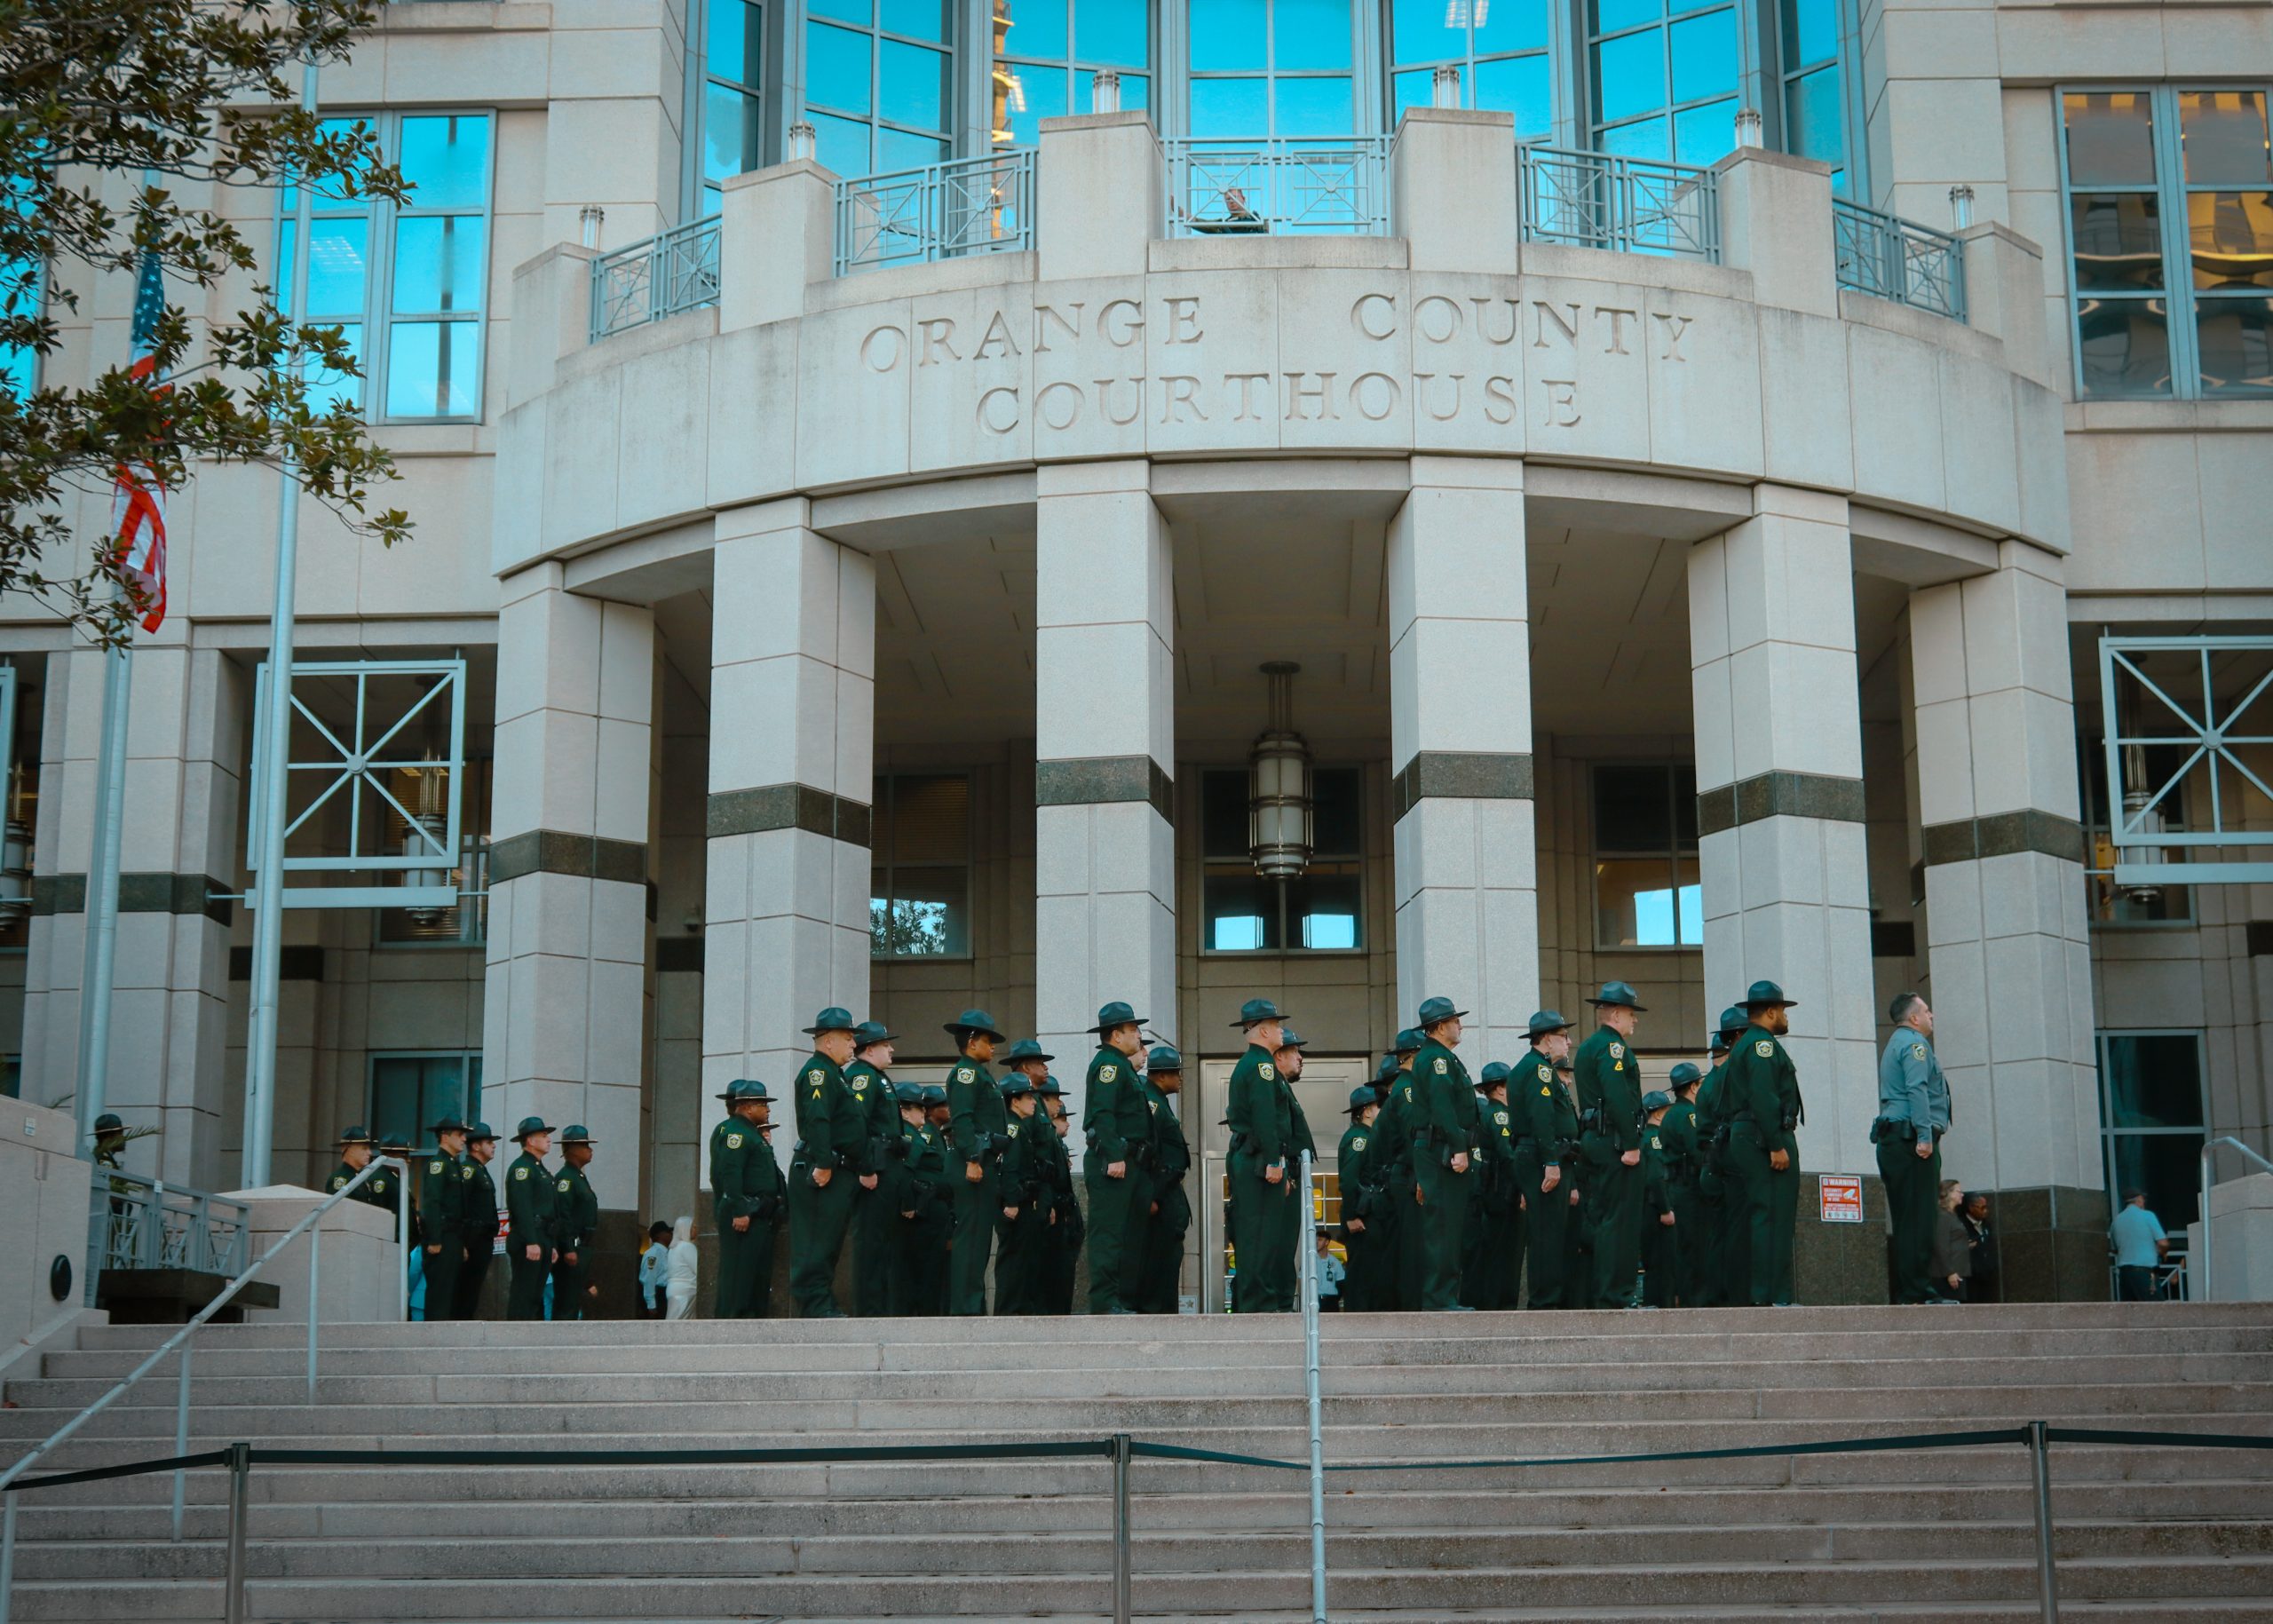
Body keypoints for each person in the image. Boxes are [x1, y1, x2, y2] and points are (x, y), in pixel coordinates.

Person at [1722, 980, 1805, 1308]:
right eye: (1783, 1010)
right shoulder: (1761, 1045)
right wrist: (1775, 1144)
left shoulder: (1749, 1044)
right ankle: (1774, 1295)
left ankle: (1765, 1294)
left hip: (1753, 1134)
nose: (1785, 1017)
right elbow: (1763, 1095)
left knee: (1766, 1214)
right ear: (1771, 1011)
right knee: (1774, 1216)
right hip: (1763, 1136)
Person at [788, 1007, 866, 1319]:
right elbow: (818, 1119)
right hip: (822, 1167)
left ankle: (822, 1301)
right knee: (815, 1241)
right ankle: (814, 1305)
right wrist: (823, 1162)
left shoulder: (835, 1074)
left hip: (837, 1168)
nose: (853, 1044)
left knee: (828, 1241)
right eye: (848, 1038)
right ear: (828, 1040)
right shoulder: (818, 1072)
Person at [1876, 991, 1952, 1305]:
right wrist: (1924, 1136)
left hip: (1895, 1138)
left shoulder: (1896, 1042)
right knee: (1920, 1219)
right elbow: (1916, 1089)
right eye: (1926, 1010)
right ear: (1913, 1018)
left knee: (1907, 1219)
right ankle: (1917, 1291)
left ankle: (1912, 1290)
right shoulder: (1914, 1045)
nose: (1931, 1015)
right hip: (1910, 1140)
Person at [1574, 982, 1647, 1310]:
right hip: (1614, 1141)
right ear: (1616, 1014)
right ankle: (1616, 1294)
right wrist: (1631, 1143)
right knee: (1620, 1220)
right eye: (1631, 1014)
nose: (1635, 1020)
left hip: (1598, 1138)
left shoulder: (1591, 1046)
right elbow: (1617, 1095)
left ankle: (1608, 1292)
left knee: (1606, 1218)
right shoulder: (1612, 1047)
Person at [1225, 998, 1300, 1311]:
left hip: (1254, 1159)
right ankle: (1259, 1304)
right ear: (1264, 1031)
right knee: (1260, 1236)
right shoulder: (1261, 1065)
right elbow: (1265, 1116)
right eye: (1277, 1025)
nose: (1282, 1031)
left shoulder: (1255, 1064)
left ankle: (1258, 1302)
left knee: (1260, 1235)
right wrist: (1273, 1160)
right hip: (1258, 1161)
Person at [1410, 995, 1481, 1313]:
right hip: (1442, 1150)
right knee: (1442, 1228)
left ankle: (1445, 1297)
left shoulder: (1443, 1058)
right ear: (1439, 1027)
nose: (1460, 1026)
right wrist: (1459, 1147)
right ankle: (1439, 1299)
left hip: (1443, 1149)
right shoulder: (1435, 1059)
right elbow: (1442, 1107)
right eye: (1454, 1021)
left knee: (1450, 1227)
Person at [1081, 1002, 1152, 1314]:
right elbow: (1103, 1113)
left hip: (1128, 1160)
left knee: (1123, 1235)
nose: (1138, 1035)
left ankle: (1117, 1299)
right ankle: (1104, 1302)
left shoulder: (1121, 1065)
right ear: (1116, 1034)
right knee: (1108, 1234)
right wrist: (1113, 1155)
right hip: (1113, 1161)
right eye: (1133, 1029)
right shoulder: (1109, 1065)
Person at [943, 1010, 1010, 1315]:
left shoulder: (980, 1074)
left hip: (984, 1164)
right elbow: (962, 1119)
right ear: (971, 1042)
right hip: (973, 1164)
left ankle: (973, 1305)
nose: (992, 1046)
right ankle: (965, 1309)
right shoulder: (966, 1073)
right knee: (971, 1240)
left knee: (979, 1241)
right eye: (987, 1040)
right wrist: (972, 1157)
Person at [1511, 1011, 1580, 1310]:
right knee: (1547, 1232)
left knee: (1547, 1230)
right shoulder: (1538, 1070)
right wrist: (1551, 1161)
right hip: (1543, 1158)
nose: (1568, 1042)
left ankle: (1547, 1299)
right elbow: (1542, 1117)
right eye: (1563, 1036)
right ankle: (1545, 1302)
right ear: (1547, 1039)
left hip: (1540, 1155)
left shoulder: (1533, 1068)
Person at [710, 1079, 783, 1319]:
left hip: (759, 1212)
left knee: (755, 1274)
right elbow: (729, 1174)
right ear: (748, 1107)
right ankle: (731, 1323)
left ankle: (750, 1320)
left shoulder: (750, 1132)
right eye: (763, 1104)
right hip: (745, 1211)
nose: (768, 1109)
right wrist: (739, 1210)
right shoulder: (735, 1133)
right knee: (738, 1275)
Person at [1691, 1007, 1748, 1308]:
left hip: (1710, 1165)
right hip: (1725, 1163)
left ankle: (1716, 1293)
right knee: (1734, 1232)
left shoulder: (1707, 1085)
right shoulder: (1726, 1078)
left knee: (1717, 1234)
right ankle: (1730, 1293)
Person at [846, 1019, 900, 1317]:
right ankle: (869, 1311)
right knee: (869, 1242)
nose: (891, 1049)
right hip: (874, 1170)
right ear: (868, 1049)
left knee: (882, 1243)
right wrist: (866, 1168)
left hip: (886, 1167)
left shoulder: (876, 1076)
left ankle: (879, 1308)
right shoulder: (862, 1076)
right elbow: (858, 1124)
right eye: (885, 1044)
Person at [1135, 1045, 1192, 1314]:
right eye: (1175, 1072)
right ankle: (1157, 1316)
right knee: (1160, 1262)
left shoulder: (1159, 1100)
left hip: (1167, 1190)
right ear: (1160, 1075)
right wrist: (1153, 1196)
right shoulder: (1152, 1104)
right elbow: (1151, 1157)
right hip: (1160, 1195)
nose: (1180, 1077)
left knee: (1169, 1260)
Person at [886, 1080, 952, 1315]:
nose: (923, 1111)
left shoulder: (915, 1134)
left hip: (931, 1211)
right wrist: (909, 1204)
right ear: (903, 1111)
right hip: (923, 1213)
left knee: (928, 1271)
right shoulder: (910, 1136)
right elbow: (906, 1169)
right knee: (924, 1271)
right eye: (918, 1107)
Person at [993, 1073, 1052, 1313]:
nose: (1034, 1102)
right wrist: (1011, 1201)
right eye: (1028, 1097)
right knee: (1014, 1260)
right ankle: (1010, 1310)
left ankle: (1020, 1309)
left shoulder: (1018, 1126)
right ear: (1014, 1101)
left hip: (1024, 1199)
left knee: (1024, 1259)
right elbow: (1009, 1167)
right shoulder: (1013, 1128)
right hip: (1015, 1202)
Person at [1461, 1061, 1517, 1311]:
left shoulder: (1490, 1113)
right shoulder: (1499, 1115)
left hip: (1491, 1193)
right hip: (1500, 1193)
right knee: (1502, 1254)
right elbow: (1508, 1155)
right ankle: (1498, 1306)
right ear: (1501, 1088)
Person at [503, 1118, 558, 1321]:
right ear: (530, 1141)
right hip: (529, 1235)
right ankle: (514, 1334)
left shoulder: (539, 1169)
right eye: (543, 1136)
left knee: (535, 1295)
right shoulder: (523, 1168)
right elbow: (522, 1207)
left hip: (543, 1235)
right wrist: (531, 1240)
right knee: (524, 1294)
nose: (548, 1140)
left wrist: (551, 1244)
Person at [1038, 1074, 1084, 1314]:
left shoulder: (1055, 1141)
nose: (1067, 1124)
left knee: (1064, 1278)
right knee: (1052, 1279)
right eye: (1062, 1118)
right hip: (1054, 1213)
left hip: (1066, 1215)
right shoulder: (1045, 1137)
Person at [1336, 1085, 1384, 1311]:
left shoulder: (1369, 1136)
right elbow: (1349, 1180)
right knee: (1362, 1273)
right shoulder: (1359, 1138)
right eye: (1378, 1106)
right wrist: (1351, 1216)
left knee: (1372, 1272)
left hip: (1368, 1213)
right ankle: (1357, 1319)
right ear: (1366, 1111)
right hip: (1361, 1216)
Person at [416, 1115, 468, 1322]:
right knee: (439, 1293)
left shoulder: (453, 1165)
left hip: (454, 1237)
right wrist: (435, 1238)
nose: (464, 1139)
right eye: (460, 1134)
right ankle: (433, 1334)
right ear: (445, 1137)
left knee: (451, 1293)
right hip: (442, 1236)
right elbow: (432, 1203)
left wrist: (461, 1243)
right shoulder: (438, 1165)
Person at [1660, 1064, 1703, 1307]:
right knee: (1694, 1246)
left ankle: (1686, 1297)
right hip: (1689, 1186)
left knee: (1684, 1246)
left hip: (1676, 1185)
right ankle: (1694, 1300)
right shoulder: (1689, 1115)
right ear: (1694, 1087)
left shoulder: (1671, 1114)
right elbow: (1696, 1150)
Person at [551, 1125, 601, 1320]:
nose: (590, 1149)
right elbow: (563, 1215)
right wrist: (568, 1247)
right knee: (566, 1302)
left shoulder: (578, 1177)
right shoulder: (566, 1178)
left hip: (583, 1246)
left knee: (573, 1302)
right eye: (585, 1145)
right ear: (572, 1149)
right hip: (573, 1246)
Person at [451, 1122, 500, 1320]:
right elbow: (462, 1206)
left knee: (473, 1290)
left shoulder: (480, 1170)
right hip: (472, 1239)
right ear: (476, 1146)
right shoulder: (469, 1170)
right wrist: (463, 1242)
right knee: (465, 1290)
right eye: (489, 1142)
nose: (493, 1146)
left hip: (482, 1239)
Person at [1639, 1091, 1680, 1308]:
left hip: (1646, 1208)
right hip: (1655, 1210)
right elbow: (1656, 1176)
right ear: (1657, 1114)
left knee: (1654, 1265)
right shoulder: (1654, 1139)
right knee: (1663, 1266)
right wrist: (1665, 1209)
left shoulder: (1642, 1138)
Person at [327, 1126, 399, 1216]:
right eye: (364, 1148)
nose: (369, 1153)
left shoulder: (360, 1177)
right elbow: (337, 1214)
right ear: (349, 1149)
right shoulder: (341, 1179)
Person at [2113, 1189, 2168, 1301]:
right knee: (2156, 1308)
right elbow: (2163, 1243)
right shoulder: (2148, 1216)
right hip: (2145, 1272)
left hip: (2125, 1275)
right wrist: (2163, 1253)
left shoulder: (2116, 1220)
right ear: (2139, 1199)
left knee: (2131, 1309)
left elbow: (2114, 1249)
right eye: (2143, 1199)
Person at [1930, 1179, 1972, 1303]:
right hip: (1949, 1273)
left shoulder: (1952, 1215)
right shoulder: (1942, 1216)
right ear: (1948, 1193)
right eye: (1959, 1191)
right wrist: (1950, 1272)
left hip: (1958, 1270)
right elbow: (1940, 1245)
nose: (1962, 1195)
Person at [1962, 1192, 1999, 1303]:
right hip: (1970, 1277)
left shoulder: (1986, 1224)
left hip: (1987, 1274)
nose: (1985, 1211)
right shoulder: (1961, 1225)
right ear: (1971, 1208)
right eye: (1982, 1208)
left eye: (1986, 1207)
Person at [664, 1215, 699, 1320]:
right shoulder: (687, 1246)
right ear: (686, 1229)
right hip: (686, 1290)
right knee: (680, 1323)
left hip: (673, 1289)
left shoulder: (673, 1248)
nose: (696, 1229)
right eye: (693, 1227)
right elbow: (697, 1269)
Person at [638, 1220, 672, 1319]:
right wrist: (651, 1305)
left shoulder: (666, 1252)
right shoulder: (653, 1254)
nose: (671, 1235)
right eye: (668, 1232)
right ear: (660, 1235)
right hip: (658, 1296)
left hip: (664, 1295)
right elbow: (649, 1279)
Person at [1313, 1231, 1345, 1310]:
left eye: (1320, 1240)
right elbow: (1301, 1281)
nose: (1316, 1242)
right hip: (1314, 1301)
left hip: (1331, 1301)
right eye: (1315, 1240)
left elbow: (1341, 1282)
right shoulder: (1309, 1261)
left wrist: (1335, 1298)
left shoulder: (1335, 1262)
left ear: (1327, 1242)